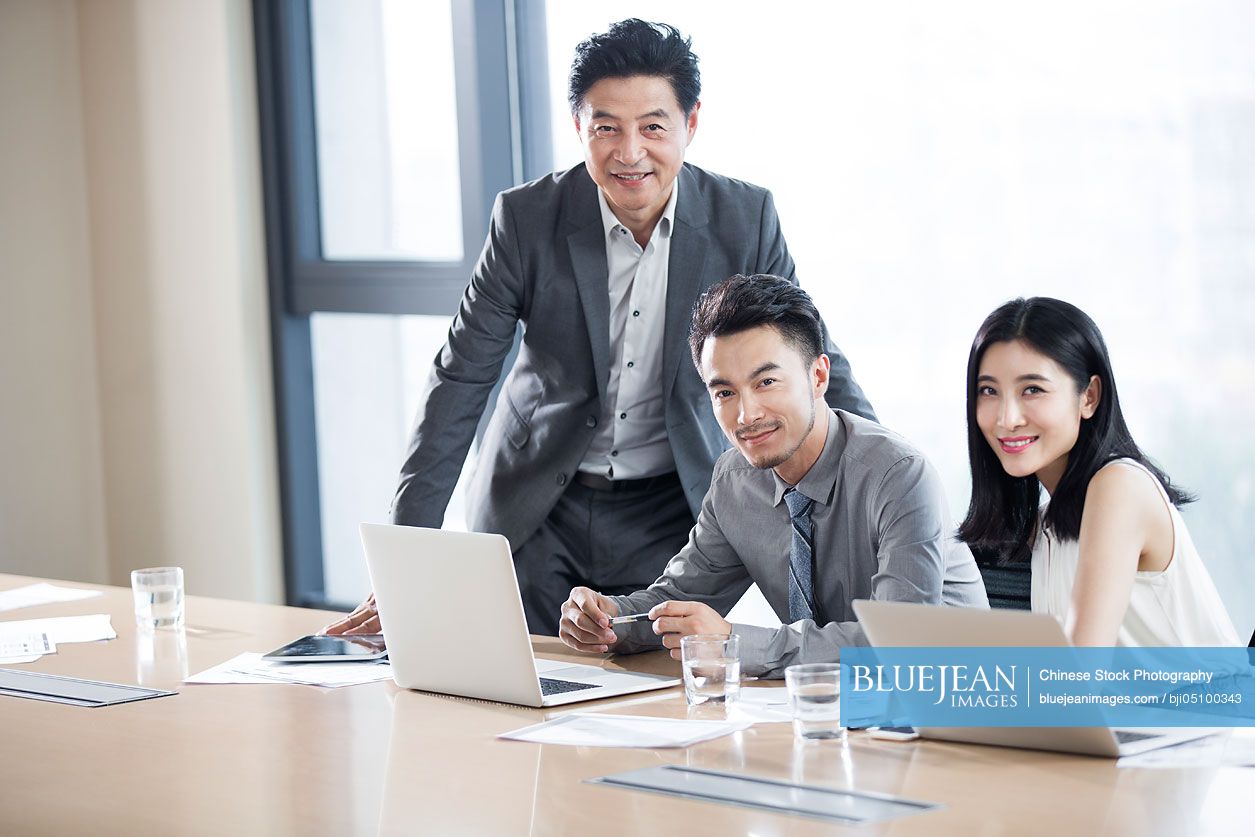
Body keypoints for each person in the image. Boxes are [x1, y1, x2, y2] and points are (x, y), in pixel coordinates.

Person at [324, 20, 874, 638]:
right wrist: (407, 559)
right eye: (606, 127)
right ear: (579, 129)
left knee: (653, 698)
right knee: (521, 686)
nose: (629, 152)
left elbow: (812, 359)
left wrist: (888, 476)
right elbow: (460, 379)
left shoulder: (744, 220)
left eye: (653, 127)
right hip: (538, 505)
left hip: (673, 506)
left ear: (691, 125)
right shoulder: (526, 220)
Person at [557, 274, 987, 677]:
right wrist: (607, 618)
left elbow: (898, 645)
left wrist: (732, 643)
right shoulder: (735, 481)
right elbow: (677, 603)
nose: (746, 415)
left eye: (766, 382)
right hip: (827, 714)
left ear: (818, 376)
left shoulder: (898, 476)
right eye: (724, 392)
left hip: (958, 707)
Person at [958, 297, 1239, 646]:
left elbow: (1080, 675)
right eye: (988, 391)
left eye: (1032, 389)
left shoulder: (1119, 486)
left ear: (1089, 396)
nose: (1007, 418)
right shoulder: (1047, 526)